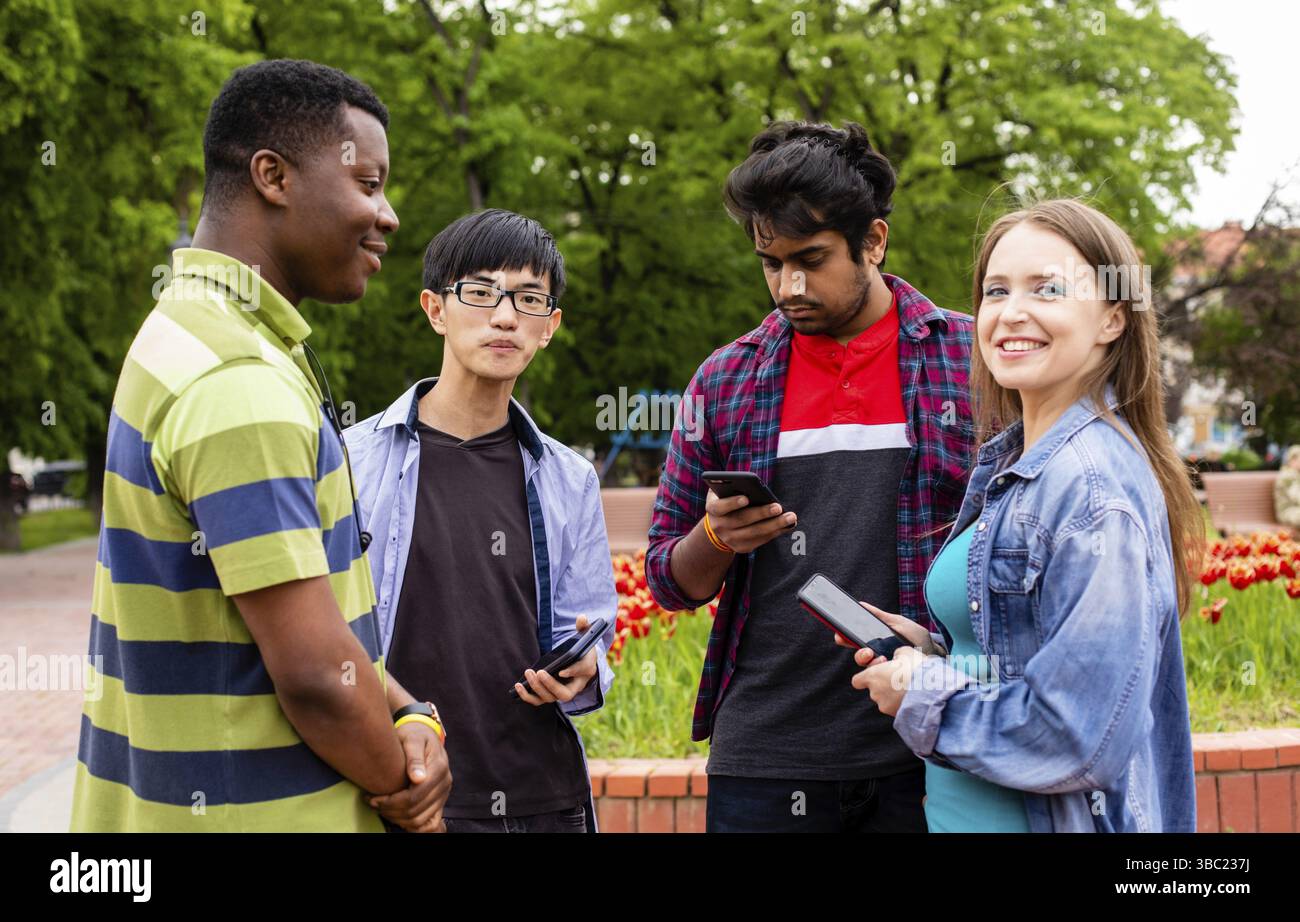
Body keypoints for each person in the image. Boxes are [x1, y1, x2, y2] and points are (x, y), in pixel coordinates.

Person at [71, 59, 451, 832]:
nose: (389, 216)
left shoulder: (188, 331)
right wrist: (412, 801)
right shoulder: (238, 377)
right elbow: (315, 675)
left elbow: (300, 613)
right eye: (368, 183)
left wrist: (412, 711)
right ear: (273, 176)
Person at [645, 121, 974, 832]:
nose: (788, 285)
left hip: (929, 743)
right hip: (766, 759)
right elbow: (669, 580)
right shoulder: (725, 381)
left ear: (875, 242)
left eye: (811, 259)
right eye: (770, 262)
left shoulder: (972, 362)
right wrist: (717, 535)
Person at [847, 198, 1199, 832]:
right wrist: (929, 653)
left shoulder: (1091, 487)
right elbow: (1018, 655)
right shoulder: (1018, 461)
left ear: (1112, 319)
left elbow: (1077, 736)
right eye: (995, 290)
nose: (1011, 313)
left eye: (1048, 289)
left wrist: (920, 692)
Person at [345, 208, 617, 833]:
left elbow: (589, 630)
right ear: (435, 309)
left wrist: (583, 668)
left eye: (528, 299)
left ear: (549, 327)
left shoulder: (568, 477)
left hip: (543, 800)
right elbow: (330, 632)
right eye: (480, 292)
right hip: (404, 792)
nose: (504, 316)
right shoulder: (353, 459)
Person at [1274, 446, 1300, 528]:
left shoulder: (1297, 474)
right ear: (1292, 460)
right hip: (1287, 511)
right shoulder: (1287, 476)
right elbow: (1296, 497)